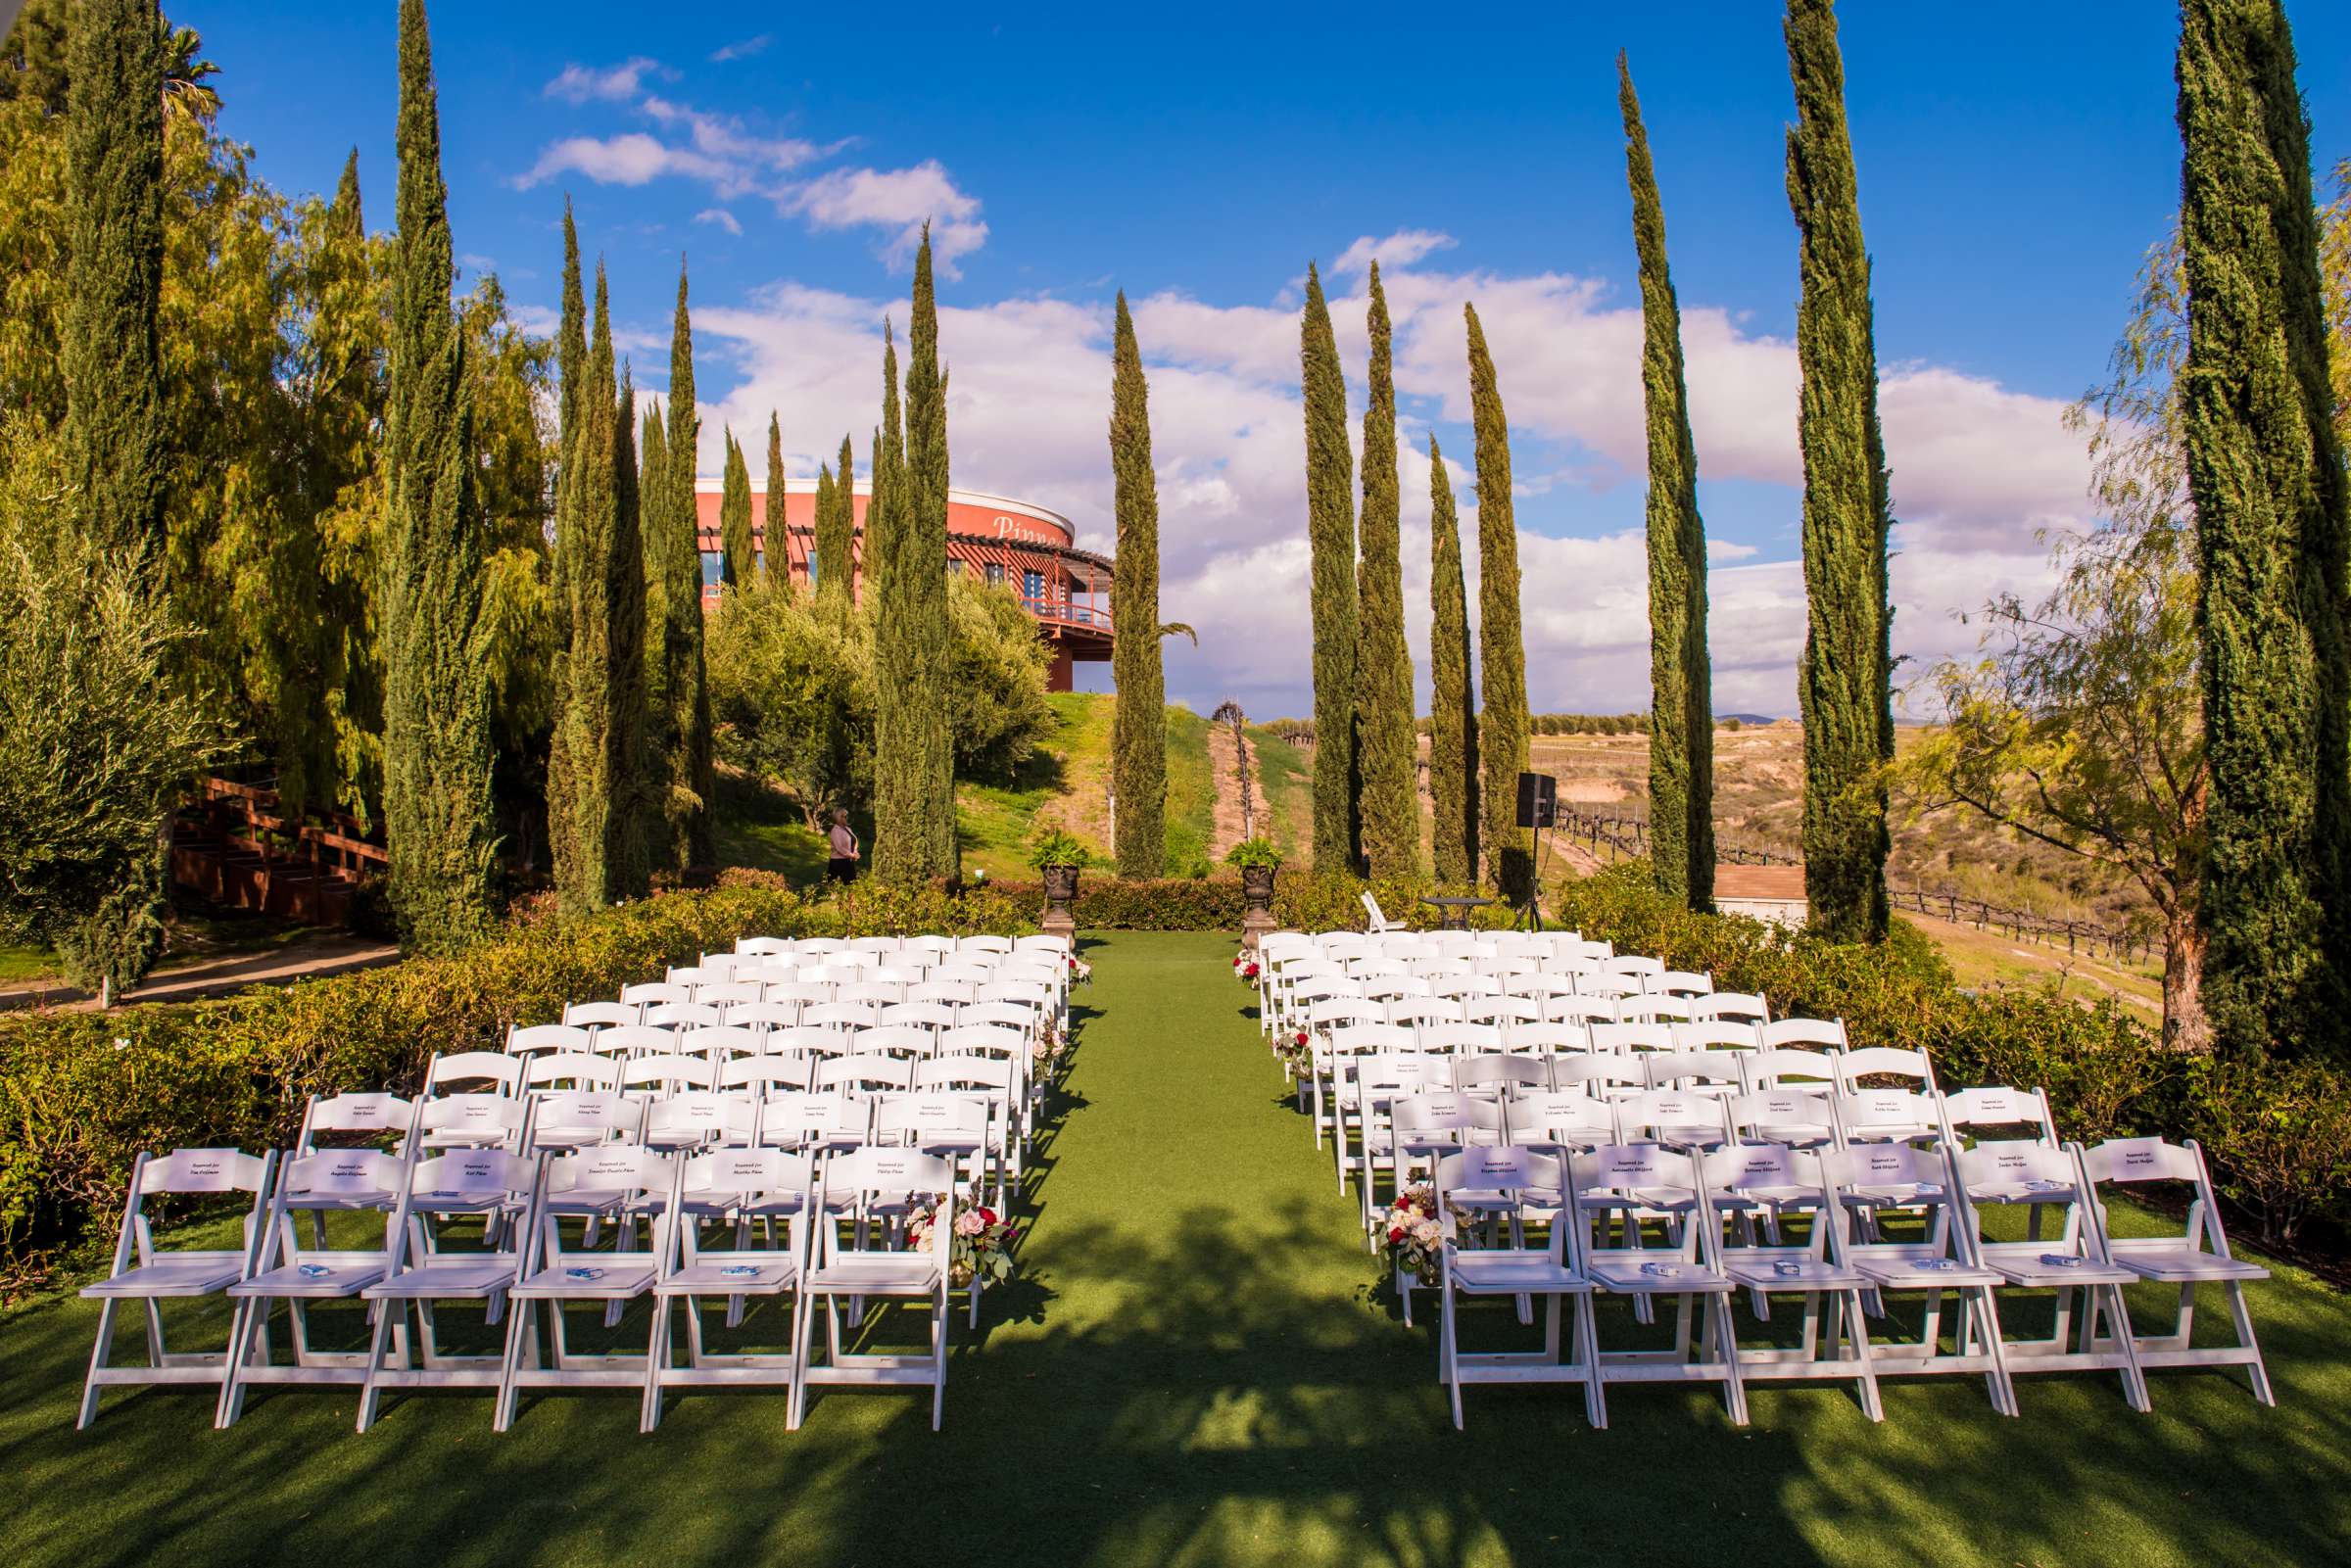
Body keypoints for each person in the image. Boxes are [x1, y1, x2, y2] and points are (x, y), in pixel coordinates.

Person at [825, 808, 860, 885]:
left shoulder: (847, 829)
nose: (847, 818)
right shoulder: (835, 830)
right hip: (838, 863)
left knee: (852, 888)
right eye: (846, 816)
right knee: (836, 889)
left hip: (848, 862)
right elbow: (839, 848)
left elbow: (854, 841)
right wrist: (853, 855)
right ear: (839, 818)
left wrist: (855, 851)